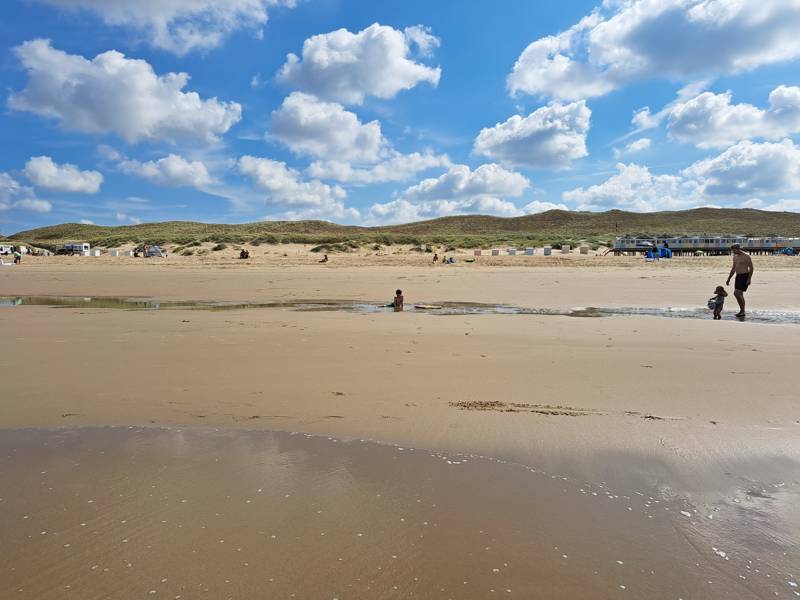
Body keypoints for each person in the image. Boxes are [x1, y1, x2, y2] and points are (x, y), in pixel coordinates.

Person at [726, 244, 753, 317]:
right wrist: (729, 278)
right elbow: (733, 268)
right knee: (740, 294)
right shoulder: (735, 257)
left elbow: (751, 268)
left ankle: (742, 311)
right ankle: (742, 311)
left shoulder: (746, 256)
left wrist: (749, 279)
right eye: (732, 250)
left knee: (737, 293)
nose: (733, 252)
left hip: (744, 276)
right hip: (738, 276)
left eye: (734, 250)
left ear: (738, 249)